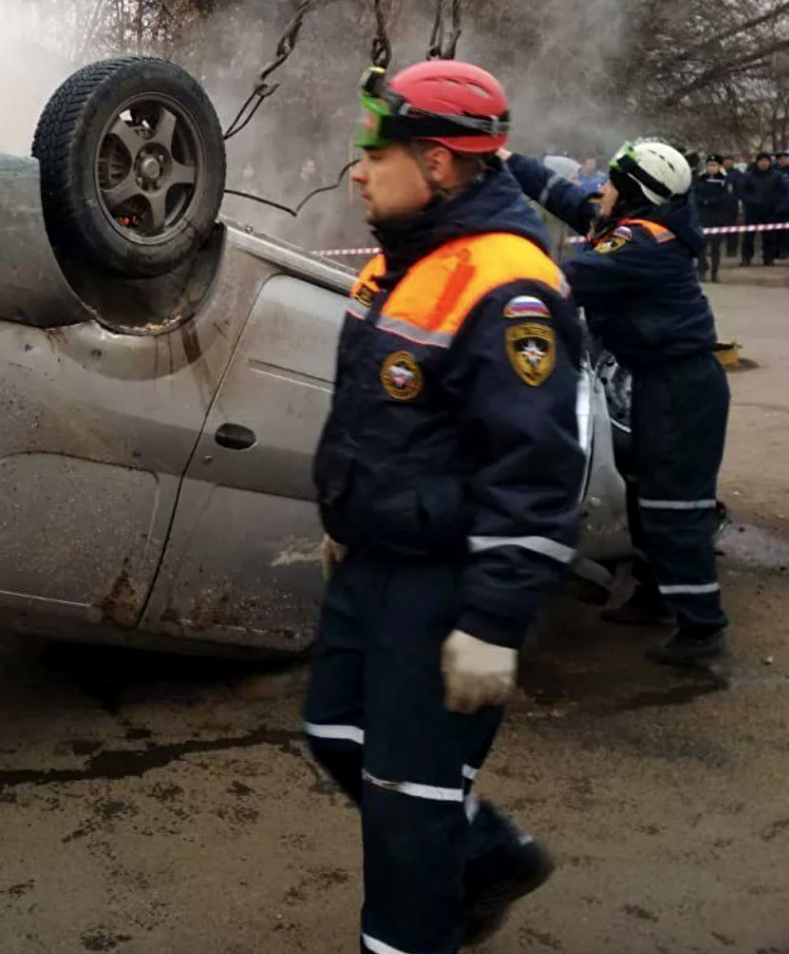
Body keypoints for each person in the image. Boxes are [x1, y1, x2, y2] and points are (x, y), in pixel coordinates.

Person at [306, 60, 583, 954]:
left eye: (370, 150)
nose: (356, 168)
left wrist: (494, 622)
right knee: (332, 729)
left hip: (442, 590)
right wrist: (344, 524)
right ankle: (489, 855)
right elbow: (385, 426)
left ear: (436, 161)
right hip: (371, 569)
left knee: (406, 810)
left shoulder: (508, 285)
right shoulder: (401, 266)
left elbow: (536, 469)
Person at [507, 139, 730, 663]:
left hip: (682, 389)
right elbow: (570, 202)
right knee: (645, 492)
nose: (600, 190)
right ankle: (655, 595)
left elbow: (566, 280)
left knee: (675, 505)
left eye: (612, 183)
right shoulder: (635, 225)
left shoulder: (643, 243)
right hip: (659, 382)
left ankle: (702, 626)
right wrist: (504, 160)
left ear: (633, 194)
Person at [694, 156, 737, 282]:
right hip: (703, 217)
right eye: (709, 165)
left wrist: (710, 202)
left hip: (718, 217)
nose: (711, 168)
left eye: (714, 165)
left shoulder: (724, 180)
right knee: (701, 246)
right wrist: (702, 202)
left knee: (716, 247)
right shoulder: (700, 179)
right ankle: (702, 271)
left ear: (719, 166)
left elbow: (727, 197)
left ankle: (715, 273)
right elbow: (694, 195)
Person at [738, 152, 783, 266]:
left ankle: (768, 258)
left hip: (769, 210)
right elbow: (742, 192)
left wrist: (775, 203)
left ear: (769, 162)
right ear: (757, 162)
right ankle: (746, 258)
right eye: (761, 161)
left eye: (766, 161)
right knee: (749, 235)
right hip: (752, 210)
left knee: (769, 235)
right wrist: (750, 201)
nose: (764, 163)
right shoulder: (749, 176)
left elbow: (780, 191)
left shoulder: (776, 176)